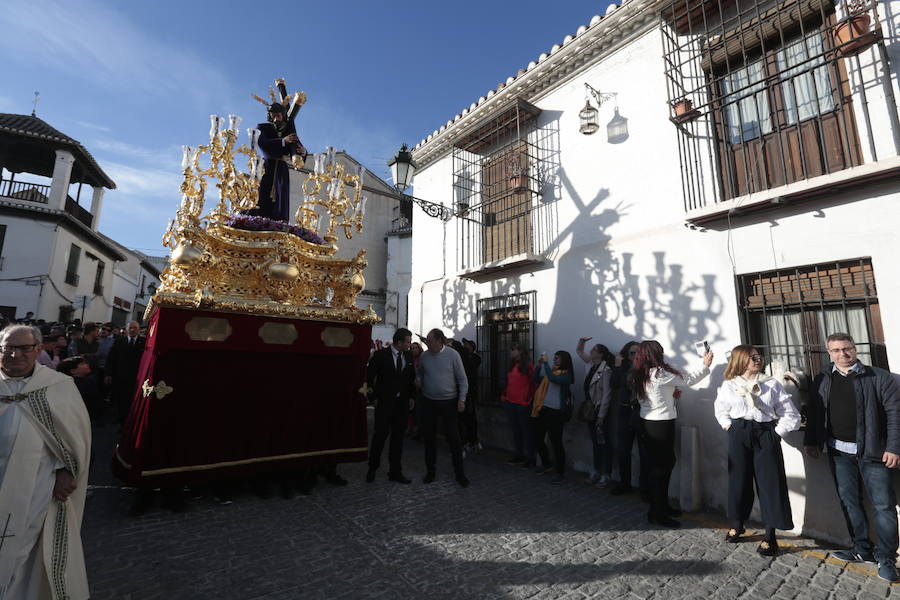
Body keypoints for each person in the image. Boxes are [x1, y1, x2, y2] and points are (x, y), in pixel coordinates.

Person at [0, 325, 91, 599]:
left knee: (23, 548)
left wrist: (66, 471)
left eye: (23, 348)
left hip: (36, 485)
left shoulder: (57, 387)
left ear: (37, 350)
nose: (14, 354)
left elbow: (75, 439)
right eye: (6, 348)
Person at [804, 333, 900, 582]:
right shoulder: (823, 378)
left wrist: (894, 447)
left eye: (846, 349)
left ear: (855, 349)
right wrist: (811, 440)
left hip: (874, 453)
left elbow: (895, 414)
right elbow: (815, 410)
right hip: (838, 452)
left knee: (884, 506)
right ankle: (861, 549)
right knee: (850, 502)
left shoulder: (878, 376)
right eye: (835, 350)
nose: (842, 354)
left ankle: (887, 558)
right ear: (828, 352)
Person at [714, 345, 800, 556]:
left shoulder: (771, 384)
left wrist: (776, 433)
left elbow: (790, 414)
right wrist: (729, 427)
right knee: (739, 481)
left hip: (765, 434)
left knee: (770, 483)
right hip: (739, 433)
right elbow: (720, 409)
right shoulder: (729, 385)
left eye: (758, 356)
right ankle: (738, 523)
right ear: (740, 360)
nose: (757, 359)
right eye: (751, 357)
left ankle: (770, 535)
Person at [632, 340, 713, 528]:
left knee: (659, 466)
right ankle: (657, 512)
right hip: (660, 425)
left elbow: (656, 394)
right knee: (662, 467)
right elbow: (690, 379)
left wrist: (671, 393)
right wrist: (705, 365)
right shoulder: (660, 373)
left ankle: (660, 506)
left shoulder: (641, 373)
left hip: (648, 422)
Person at [416, 328, 470, 487]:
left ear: (440, 341)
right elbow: (420, 373)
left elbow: (463, 380)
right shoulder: (424, 356)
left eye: (430, 340)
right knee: (429, 438)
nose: (427, 343)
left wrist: (462, 399)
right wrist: (418, 379)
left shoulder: (453, 355)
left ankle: (460, 474)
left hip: (449, 402)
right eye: (426, 340)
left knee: (454, 439)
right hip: (429, 402)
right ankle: (430, 472)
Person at [366, 328, 416, 484]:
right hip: (385, 403)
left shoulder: (407, 356)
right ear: (399, 342)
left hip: (401, 405)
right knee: (380, 436)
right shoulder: (381, 355)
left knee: (398, 438)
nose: (410, 345)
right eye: (407, 342)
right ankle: (372, 468)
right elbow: (369, 376)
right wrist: (372, 397)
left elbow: (410, 377)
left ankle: (395, 471)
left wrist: (412, 396)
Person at [248, 102, 308, 222]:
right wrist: (282, 141)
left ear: (283, 115)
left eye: (278, 116)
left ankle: (278, 223)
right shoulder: (263, 127)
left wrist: (303, 152)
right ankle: (258, 219)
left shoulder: (289, 130)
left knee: (280, 196)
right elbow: (262, 143)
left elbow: (297, 147)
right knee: (262, 192)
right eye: (273, 116)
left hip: (281, 169)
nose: (276, 119)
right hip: (266, 166)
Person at [532, 350, 575, 484]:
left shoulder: (566, 375)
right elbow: (537, 379)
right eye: (554, 357)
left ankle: (560, 473)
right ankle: (546, 464)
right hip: (544, 410)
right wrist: (539, 366)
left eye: (557, 358)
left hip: (557, 413)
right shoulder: (552, 370)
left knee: (556, 443)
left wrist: (545, 363)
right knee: (538, 439)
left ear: (564, 360)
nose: (554, 360)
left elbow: (553, 379)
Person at [576, 337, 614, 487]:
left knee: (604, 443)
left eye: (594, 350)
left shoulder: (606, 370)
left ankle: (606, 474)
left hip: (599, 411)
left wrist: (601, 416)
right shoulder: (591, 365)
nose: (590, 351)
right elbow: (579, 351)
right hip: (590, 410)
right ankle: (596, 471)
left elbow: (607, 394)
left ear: (601, 354)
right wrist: (582, 341)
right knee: (596, 443)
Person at [610, 341, 646, 497]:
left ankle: (645, 489)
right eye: (632, 353)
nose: (635, 356)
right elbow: (614, 384)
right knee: (623, 450)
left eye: (638, 352)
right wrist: (617, 366)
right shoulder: (623, 368)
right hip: (625, 411)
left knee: (645, 453)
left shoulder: (647, 369)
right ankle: (625, 484)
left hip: (641, 412)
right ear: (627, 355)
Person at [105, 321, 145, 424]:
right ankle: (121, 420)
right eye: (130, 328)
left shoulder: (144, 342)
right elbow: (111, 358)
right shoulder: (119, 341)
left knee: (133, 400)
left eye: (135, 328)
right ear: (127, 329)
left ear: (139, 329)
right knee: (121, 399)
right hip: (120, 376)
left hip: (137, 377)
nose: (132, 330)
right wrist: (109, 374)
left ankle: (131, 420)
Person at [502, 344, 536, 466]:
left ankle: (530, 458)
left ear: (520, 351)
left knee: (527, 432)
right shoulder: (512, 365)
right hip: (511, 402)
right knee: (516, 431)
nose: (510, 351)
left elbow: (533, 384)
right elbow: (509, 382)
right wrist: (504, 396)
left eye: (513, 349)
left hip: (523, 404)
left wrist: (529, 399)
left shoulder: (528, 366)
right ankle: (519, 455)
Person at [459, 338, 482, 456]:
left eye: (467, 345)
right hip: (463, 393)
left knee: (471, 417)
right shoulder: (462, 358)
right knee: (463, 418)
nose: (465, 347)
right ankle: (467, 441)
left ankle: (473, 440)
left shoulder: (475, 358)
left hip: (471, 393)